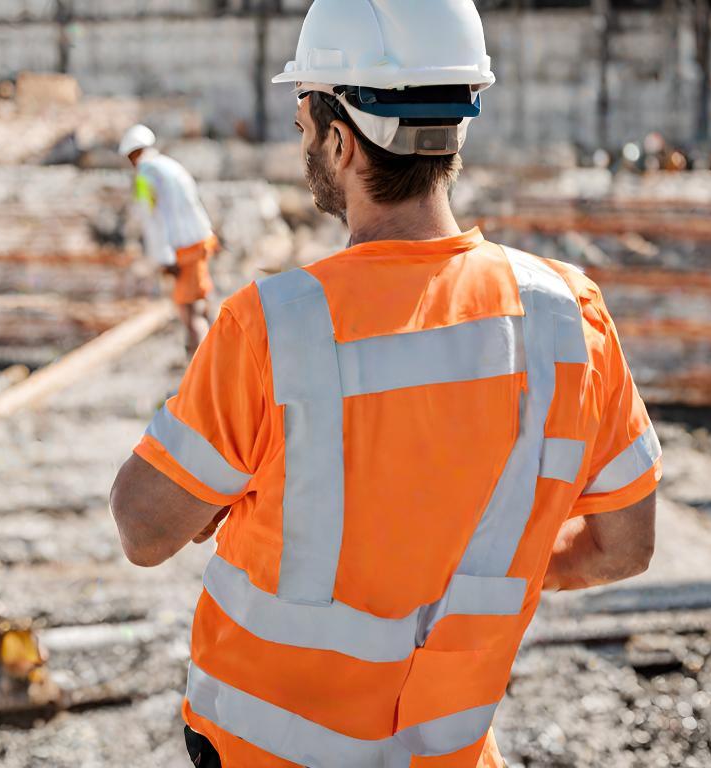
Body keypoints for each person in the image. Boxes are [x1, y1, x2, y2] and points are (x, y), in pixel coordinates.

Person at [108, 1, 662, 766]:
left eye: (305, 123)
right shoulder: (569, 319)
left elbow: (143, 528)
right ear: (457, 125)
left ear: (340, 140)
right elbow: (623, 548)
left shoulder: (269, 329)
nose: (302, 139)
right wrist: (480, 576)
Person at [119, 124, 218, 359]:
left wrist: (165, 258)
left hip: (181, 249)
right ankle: (221, 357)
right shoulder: (171, 166)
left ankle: (208, 367)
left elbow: (153, 220)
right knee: (202, 303)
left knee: (189, 313)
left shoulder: (144, 176)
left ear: (133, 154)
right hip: (201, 241)